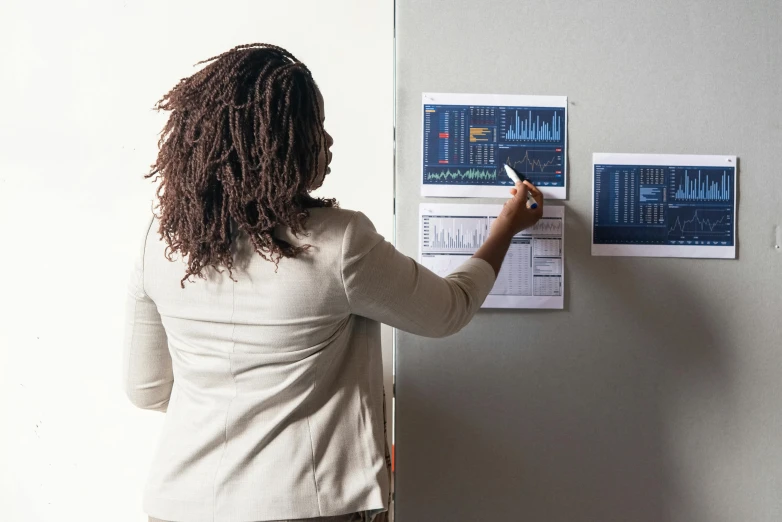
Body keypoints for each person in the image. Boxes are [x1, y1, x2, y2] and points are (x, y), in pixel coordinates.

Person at [123, 43, 543, 522]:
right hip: (302, 507)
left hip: (178, 505)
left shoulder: (159, 244)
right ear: (276, 144)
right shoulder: (339, 242)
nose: (328, 141)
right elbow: (449, 309)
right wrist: (504, 229)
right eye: (312, 128)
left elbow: (147, 390)